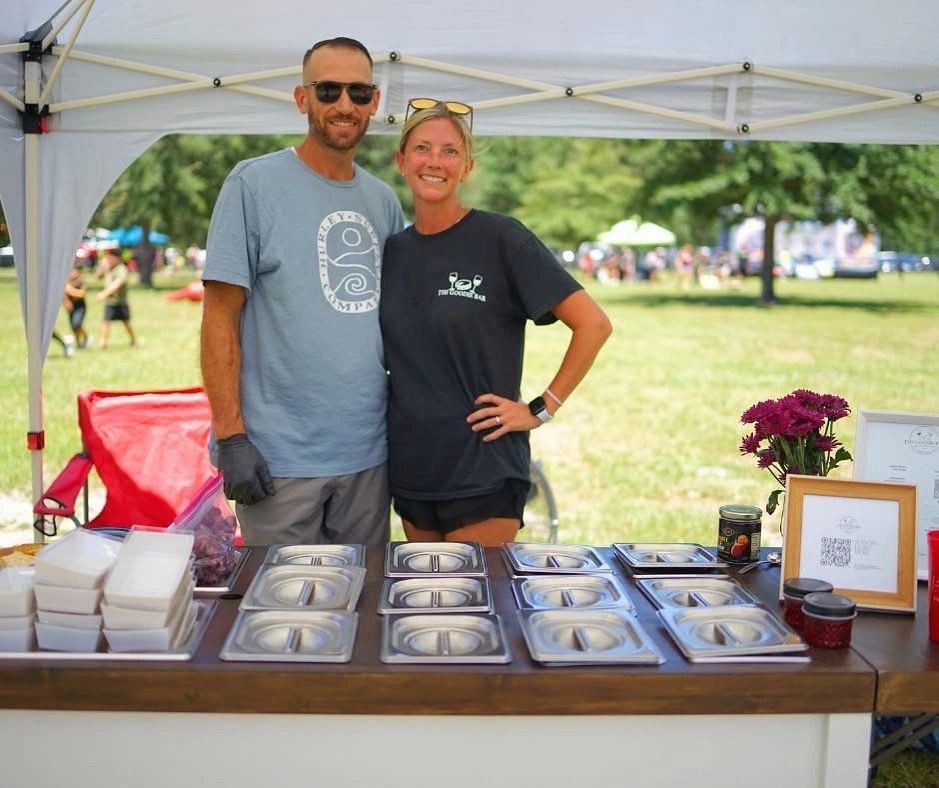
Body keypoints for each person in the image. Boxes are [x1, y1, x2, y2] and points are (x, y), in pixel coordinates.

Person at [200, 37, 405, 548]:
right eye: (329, 89)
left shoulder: (383, 201)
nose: (344, 105)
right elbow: (219, 319)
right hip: (278, 459)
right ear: (302, 98)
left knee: (360, 610)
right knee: (282, 616)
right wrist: (231, 438)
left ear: (374, 103)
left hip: (368, 456)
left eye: (358, 93)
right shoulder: (252, 184)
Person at [380, 100, 613, 548]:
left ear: (466, 167)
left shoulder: (501, 239)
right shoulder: (393, 252)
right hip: (411, 470)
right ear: (402, 160)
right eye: (422, 148)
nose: (434, 161)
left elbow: (593, 324)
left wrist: (540, 408)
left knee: (478, 609)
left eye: (449, 151)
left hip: (483, 469)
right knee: (429, 610)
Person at [96, 251, 137, 348]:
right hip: (110, 302)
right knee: (105, 321)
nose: (108, 260)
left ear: (117, 258)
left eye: (110, 258)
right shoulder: (108, 268)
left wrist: (104, 293)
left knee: (126, 321)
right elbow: (98, 277)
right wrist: (101, 266)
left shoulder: (121, 269)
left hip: (120, 301)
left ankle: (133, 340)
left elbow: (118, 283)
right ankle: (103, 342)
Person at [64, 262, 89, 348]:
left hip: (80, 307)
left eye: (75, 272)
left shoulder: (81, 282)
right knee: (73, 327)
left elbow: (82, 294)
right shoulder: (67, 282)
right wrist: (66, 302)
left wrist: (70, 290)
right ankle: (78, 343)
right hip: (71, 307)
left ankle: (85, 336)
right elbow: (63, 295)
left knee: (77, 324)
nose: (73, 274)